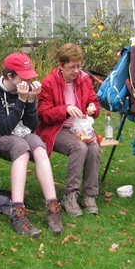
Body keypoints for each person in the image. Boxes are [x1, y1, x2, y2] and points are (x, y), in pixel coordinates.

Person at [0, 53, 63, 237]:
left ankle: (52, 205)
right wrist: (20, 100)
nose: (28, 80)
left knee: (38, 146)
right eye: (23, 76)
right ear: (10, 76)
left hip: (21, 131)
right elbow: (4, 127)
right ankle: (17, 211)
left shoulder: (26, 89)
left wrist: (31, 101)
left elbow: (32, 126)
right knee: (22, 149)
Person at [37, 43, 102, 217]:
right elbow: (43, 115)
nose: (76, 71)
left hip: (80, 127)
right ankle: (70, 195)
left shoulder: (84, 79)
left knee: (94, 148)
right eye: (72, 67)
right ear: (61, 66)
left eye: (79, 66)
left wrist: (92, 108)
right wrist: (64, 110)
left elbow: (93, 101)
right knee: (79, 148)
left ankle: (90, 194)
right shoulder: (49, 83)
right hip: (57, 129)